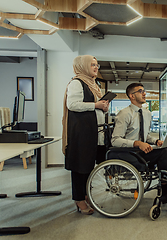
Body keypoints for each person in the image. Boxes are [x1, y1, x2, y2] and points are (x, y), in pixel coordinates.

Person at [111, 83, 167, 203]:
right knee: (164, 154)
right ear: (132, 96)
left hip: (141, 151)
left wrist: (155, 141)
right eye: (141, 91)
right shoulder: (124, 114)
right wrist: (137, 143)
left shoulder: (146, 113)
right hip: (128, 152)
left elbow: (146, 135)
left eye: (144, 91)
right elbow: (115, 140)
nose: (144, 93)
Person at [62, 55, 109, 215]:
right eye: (92, 65)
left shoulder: (93, 84)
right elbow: (72, 104)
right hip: (81, 133)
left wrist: (103, 107)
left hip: (93, 132)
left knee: (88, 166)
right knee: (80, 167)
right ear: (82, 66)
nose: (96, 68)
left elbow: (92, 107)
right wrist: (96, 104)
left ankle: (85, 195)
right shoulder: (76, 83)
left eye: (97, 65)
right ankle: (79, 200)